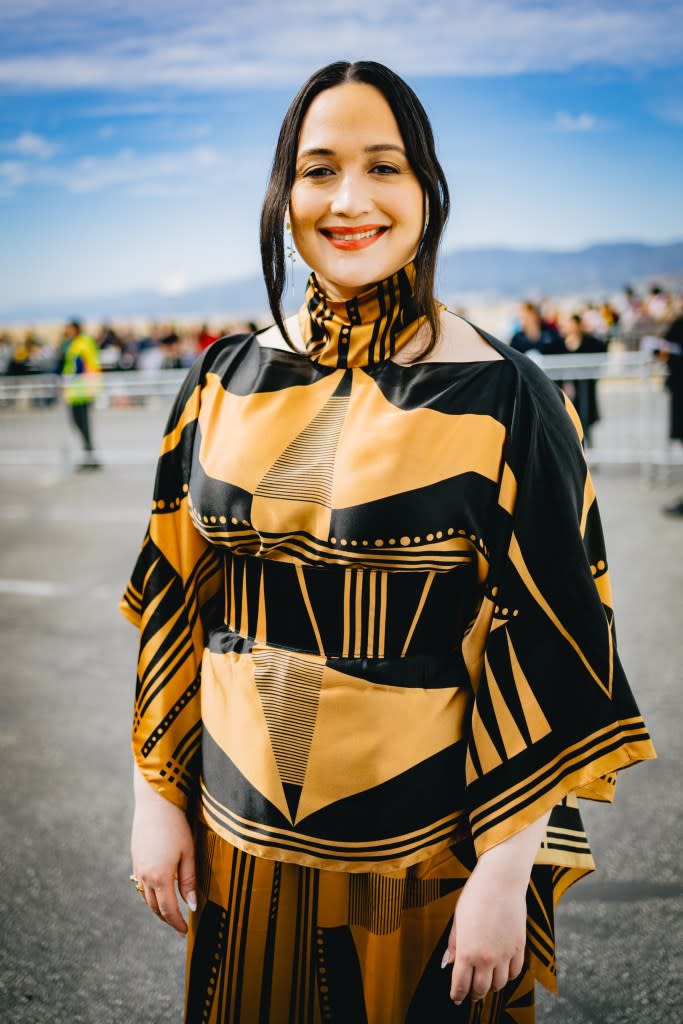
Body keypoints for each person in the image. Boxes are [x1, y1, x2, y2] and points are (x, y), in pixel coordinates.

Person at [121, 61, 656, 1023]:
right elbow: (173, 595)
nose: (350, 199)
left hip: (420, 870)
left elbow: (547, 641)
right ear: (284, 193)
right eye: (319, 169)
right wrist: (155, 793)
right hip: (237, 850)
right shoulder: (222, 377)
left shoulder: (507, 394)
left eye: (385, 167)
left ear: (427, 192)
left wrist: (503, 877)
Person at [58, 318, 102, 469]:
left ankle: (90, 456)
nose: (67, 331)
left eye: (69, 328)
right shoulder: (76, 343)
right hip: (76, 391)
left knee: (83, 424)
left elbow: (84, 365)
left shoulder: (82, 343)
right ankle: (88, 455)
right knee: (78, 424)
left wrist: (72, 378)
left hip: (82, 390)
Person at [559, 313, 608, 446]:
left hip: (585, 388)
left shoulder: (589, 341)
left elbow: (603, 348)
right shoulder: (560, 343)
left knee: (585, 418)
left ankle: (588, 447)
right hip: (568, 389)